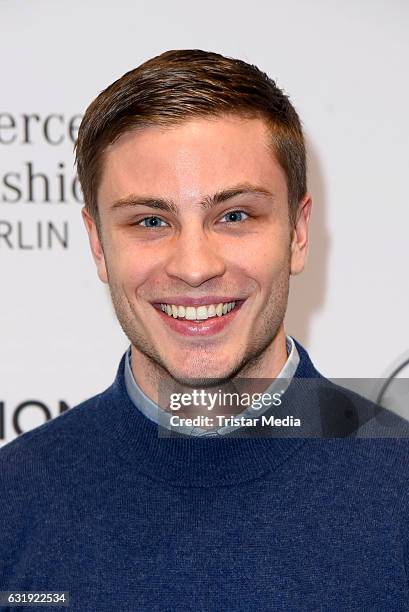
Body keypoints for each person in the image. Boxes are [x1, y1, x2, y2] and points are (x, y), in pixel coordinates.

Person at [1, 49, 408, 612]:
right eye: (149, 221)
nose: (195, 267)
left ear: (297, 232)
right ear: (98, 245)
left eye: (235, 216)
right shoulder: (11, 502)